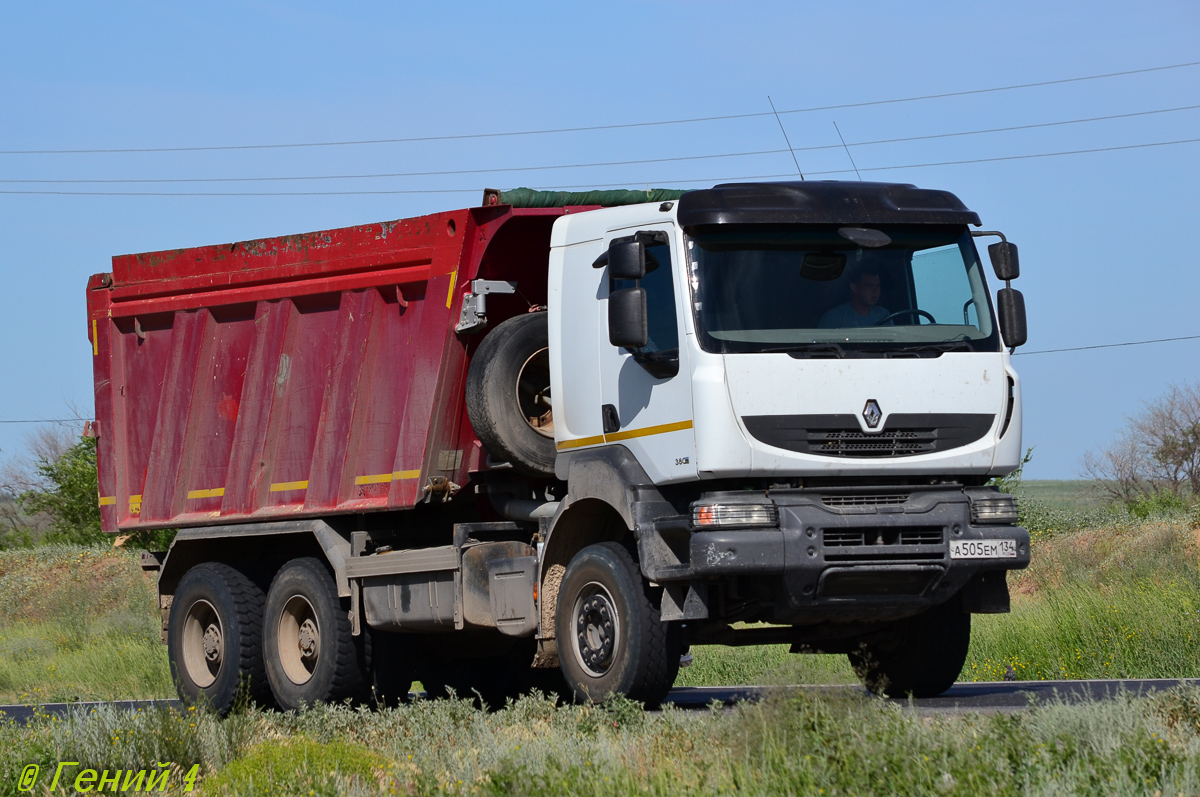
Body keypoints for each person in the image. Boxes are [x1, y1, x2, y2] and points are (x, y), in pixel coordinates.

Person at [818, 266, 891, 328]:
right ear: (854, 287)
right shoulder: (834, 317)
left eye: (878, 286)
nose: (875, 291)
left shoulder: (883, 314)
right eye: (869, 286)